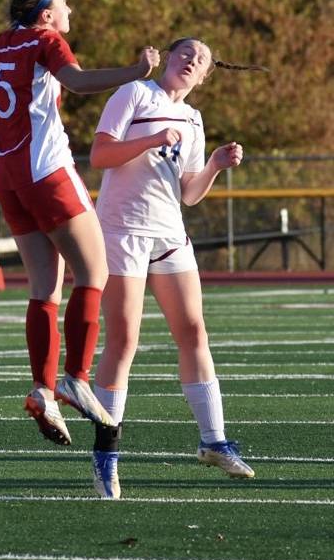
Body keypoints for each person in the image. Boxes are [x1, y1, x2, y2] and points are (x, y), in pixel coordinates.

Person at [0, 0, 159, 445]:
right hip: (47, 172)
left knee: (44, 289)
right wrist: (136, 72)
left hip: (9, 181)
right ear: (47, 15)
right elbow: (75, 82)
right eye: (66, 5)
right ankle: (75, 375)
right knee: (95, 274)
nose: (70, 12)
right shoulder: (44, 41)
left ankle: (43, 390)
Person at [89, 37, 267, 498]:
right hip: (122, 230)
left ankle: (214, 443)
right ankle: (106, 455)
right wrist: (151, 138)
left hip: (170, 233)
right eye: (186, 53)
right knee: (124, 340)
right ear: (168, 57)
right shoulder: (133, 93)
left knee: (193, 332)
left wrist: (213, 166)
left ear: (206, 76)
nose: (193, 61)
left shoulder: (193, 118)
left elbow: (188, 192)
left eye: (202, 60)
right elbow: (100, 156)